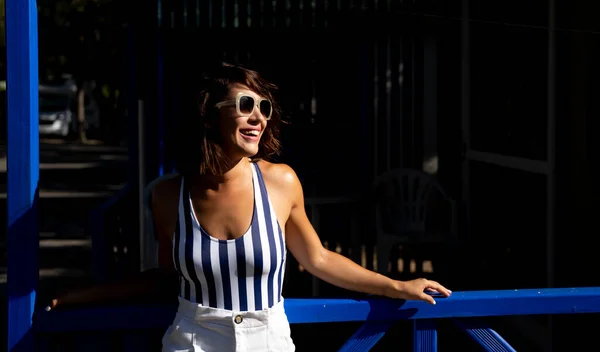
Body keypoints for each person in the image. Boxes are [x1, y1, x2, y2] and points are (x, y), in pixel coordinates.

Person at [48, 62, 451, 351]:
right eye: (245, 105)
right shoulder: (168, 195)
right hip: (192, 343)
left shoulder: (281, 182)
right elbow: (167, 279)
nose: (258, 117)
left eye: (264, 108)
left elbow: (320, 259)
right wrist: (82, 297)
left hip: (269, 342)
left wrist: (397, 285)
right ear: (210, 116)